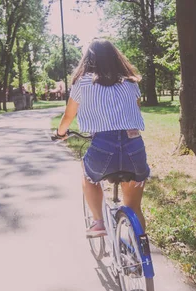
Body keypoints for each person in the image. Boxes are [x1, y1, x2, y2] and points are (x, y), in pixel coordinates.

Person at [55, 39, 150, 238]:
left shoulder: (82, 83)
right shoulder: (131, 83)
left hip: (103, 147)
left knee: (89, 177)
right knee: (134, 207)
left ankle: (99, 222)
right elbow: (135, 109)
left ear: (89, 59)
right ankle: (139, 253)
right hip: (134, 147)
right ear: (117, 58)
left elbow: (69, 116)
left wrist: (60, 133)